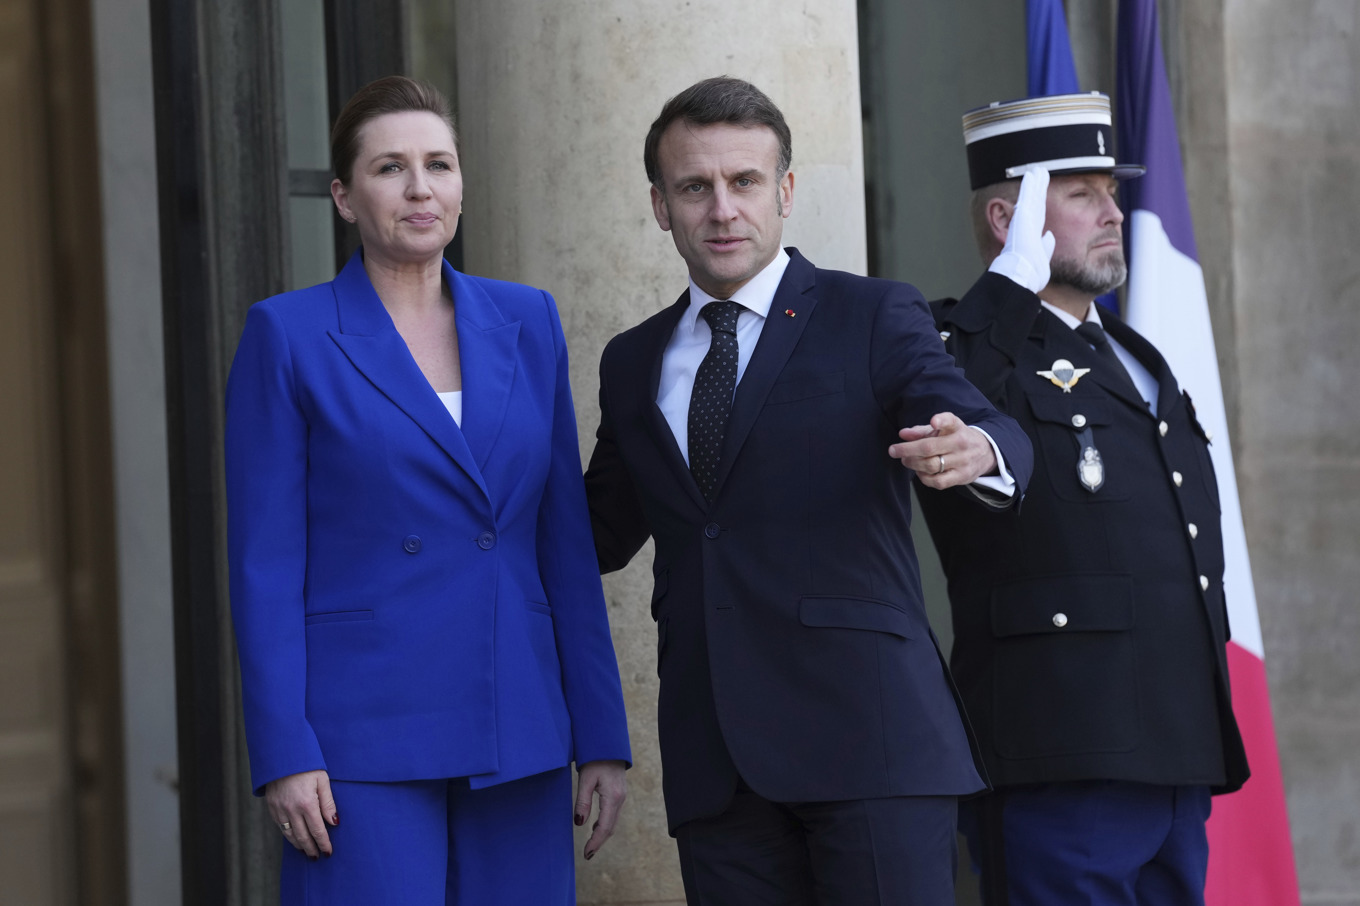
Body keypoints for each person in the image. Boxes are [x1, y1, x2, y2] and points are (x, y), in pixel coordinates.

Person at [583, 76, 1033, 904]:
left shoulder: (872, 315)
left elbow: (965, 412)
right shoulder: (631, 361)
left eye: (745, 182)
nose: (723, 209)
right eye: (695, 187)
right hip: (716, 764)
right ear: (660, 205)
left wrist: (981, 448)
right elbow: (596, 533)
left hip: (871, 746)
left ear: (785, 191)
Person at [225, 76, 630, 905]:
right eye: (390, 168)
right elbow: (264, 565)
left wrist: (602, 736)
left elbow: (562, 541)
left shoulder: (529, 321)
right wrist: (284, 750)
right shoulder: (287, 334)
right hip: (358, 738)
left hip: (517, 720)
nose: (420, 189)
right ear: (343, 195)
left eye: (439, 165)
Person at [915, 92, 1250, 905]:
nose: (1113, 212)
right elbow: (944, 394)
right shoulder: (954, 345)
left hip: (1175, 747)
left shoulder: (1135, 354)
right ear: (1010, 219)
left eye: (1113, 190)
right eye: (1080, 194)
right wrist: (1007, 289)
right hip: (1061, 751)